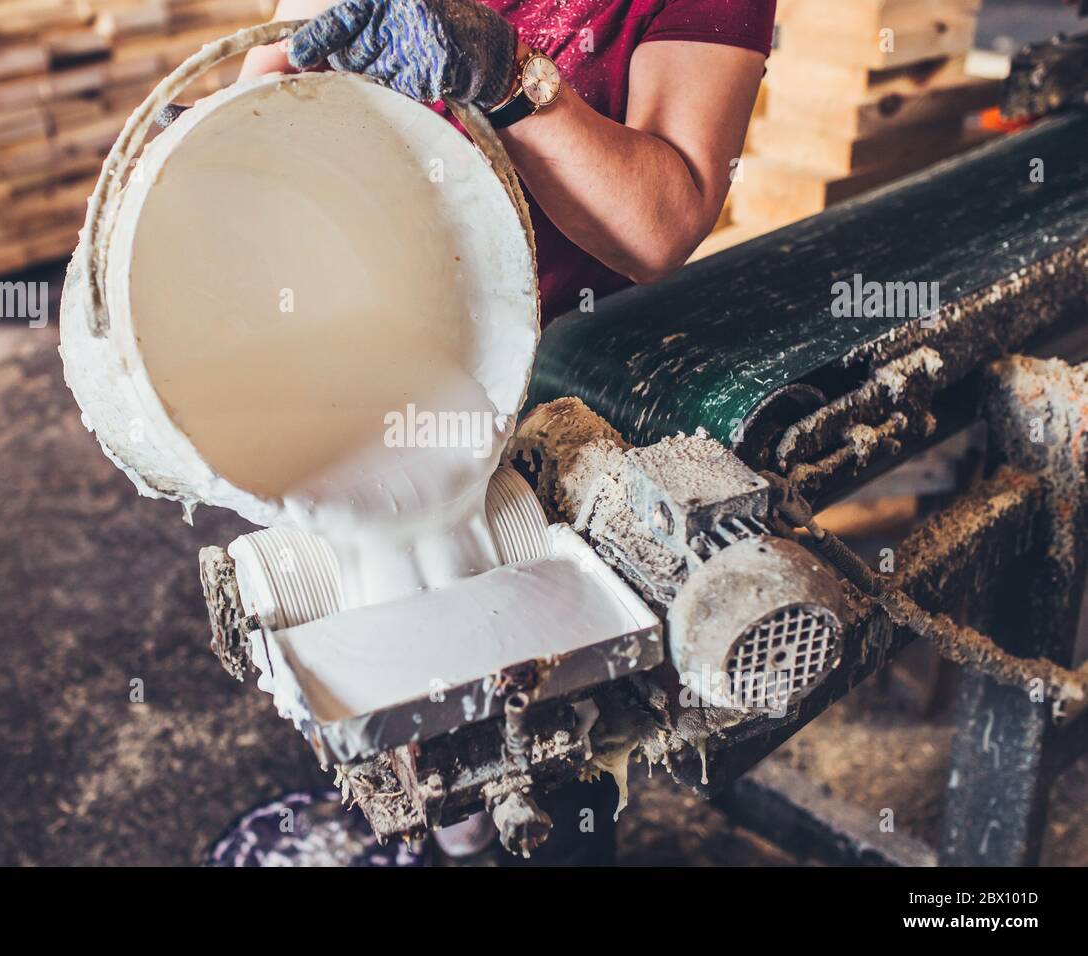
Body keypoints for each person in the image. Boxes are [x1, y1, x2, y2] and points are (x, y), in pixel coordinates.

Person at [204, 0, 776, 866]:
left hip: (538, 364)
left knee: (546, 723)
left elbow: (661, 222)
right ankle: (445, 828)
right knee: (393, 668)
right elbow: (271, 88)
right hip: (355, 325)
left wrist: (512, 78)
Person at [240, 0, 776, 324]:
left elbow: (659, 231)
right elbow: (281, 66)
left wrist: (507, 78)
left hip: (543, 354)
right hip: (352, 303)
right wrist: (221, 137)